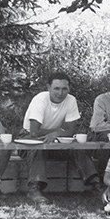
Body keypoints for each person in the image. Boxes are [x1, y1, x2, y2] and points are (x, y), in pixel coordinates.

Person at [20, 72, 104, 204]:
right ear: (48, 88)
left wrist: (58, 134)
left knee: (77, 146)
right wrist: (60, 131)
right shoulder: (40, 100)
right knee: (37, 145)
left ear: (69, 89)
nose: (60, 93)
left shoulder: (71, 100)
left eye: (64, 89)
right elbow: (34, 132)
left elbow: (71, 130)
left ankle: (95, 185)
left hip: (55, 141)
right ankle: (34, 189)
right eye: (56, 88)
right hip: (27, 139)